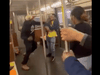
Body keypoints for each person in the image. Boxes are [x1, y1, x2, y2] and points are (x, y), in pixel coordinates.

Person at [63, 6, 92, 70]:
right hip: (90, 57)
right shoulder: (88, 25)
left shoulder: (74, 30)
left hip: (80, 59)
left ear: (73, 17)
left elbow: (71, 46)